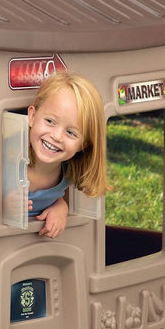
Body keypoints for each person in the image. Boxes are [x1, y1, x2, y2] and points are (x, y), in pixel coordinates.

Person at [27, 71, 110, 238]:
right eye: (50, 121)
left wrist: (60, 206)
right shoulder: (5, 160)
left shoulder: (68, 173)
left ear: (83, 144)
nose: (57, 136)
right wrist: (3, 204)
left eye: (71, 132)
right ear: (32, 116)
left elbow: (52, 196)